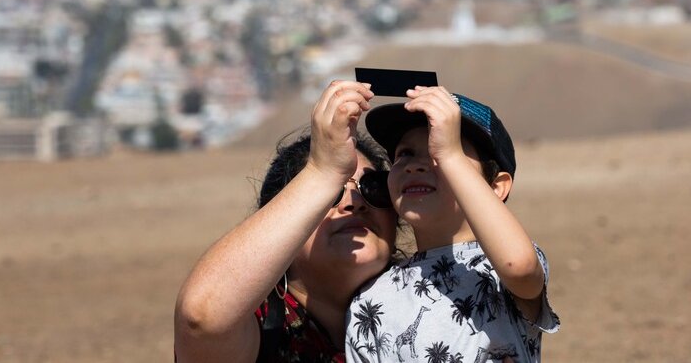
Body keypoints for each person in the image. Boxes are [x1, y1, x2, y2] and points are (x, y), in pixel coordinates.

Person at [175, 81, 398, 363]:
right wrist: (322, 172)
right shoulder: (261, 328)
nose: (353, 203)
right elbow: (202, 317)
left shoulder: (423, 309)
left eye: (372, 187)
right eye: (331, 193)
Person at [345, 86, 559, 363]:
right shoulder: (371, 299)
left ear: (496, 187)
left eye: (441, 150)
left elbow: (517, 266)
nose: (415, 165)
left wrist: (450, 156)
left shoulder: (500, 271)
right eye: (405, 154)